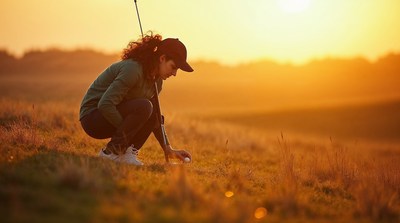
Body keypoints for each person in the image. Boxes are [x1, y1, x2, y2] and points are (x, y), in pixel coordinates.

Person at [79, 33, 193, 165]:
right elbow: (105, 104)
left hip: (111, 117)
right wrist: (127, 130)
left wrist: (168, 148)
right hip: (92, 118)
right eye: (173, 67)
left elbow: (154, 118)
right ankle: (111, 153)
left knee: (154, 112)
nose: (174, 73)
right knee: (145, 106)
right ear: (162, 58)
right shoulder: (133, 70)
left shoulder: (157, 82)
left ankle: (126, 154)